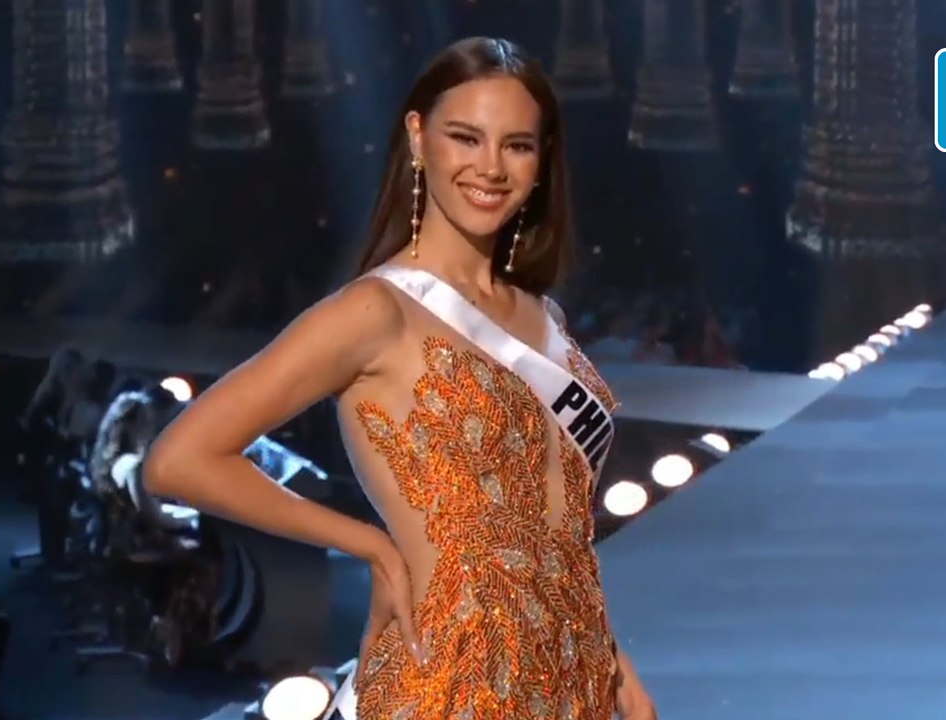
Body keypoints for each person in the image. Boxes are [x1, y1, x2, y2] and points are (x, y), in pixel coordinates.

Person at [146, 37, 656, 720]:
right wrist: (370, 544)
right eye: (465, 138)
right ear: (418, 138)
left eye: (517, 145)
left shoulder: (544, 315)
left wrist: (618, 672)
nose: (490, 167)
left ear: (542, 160)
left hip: (570, 684)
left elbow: (554, 539)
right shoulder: (374, 311)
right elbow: (179, 460)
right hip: (451, 683)